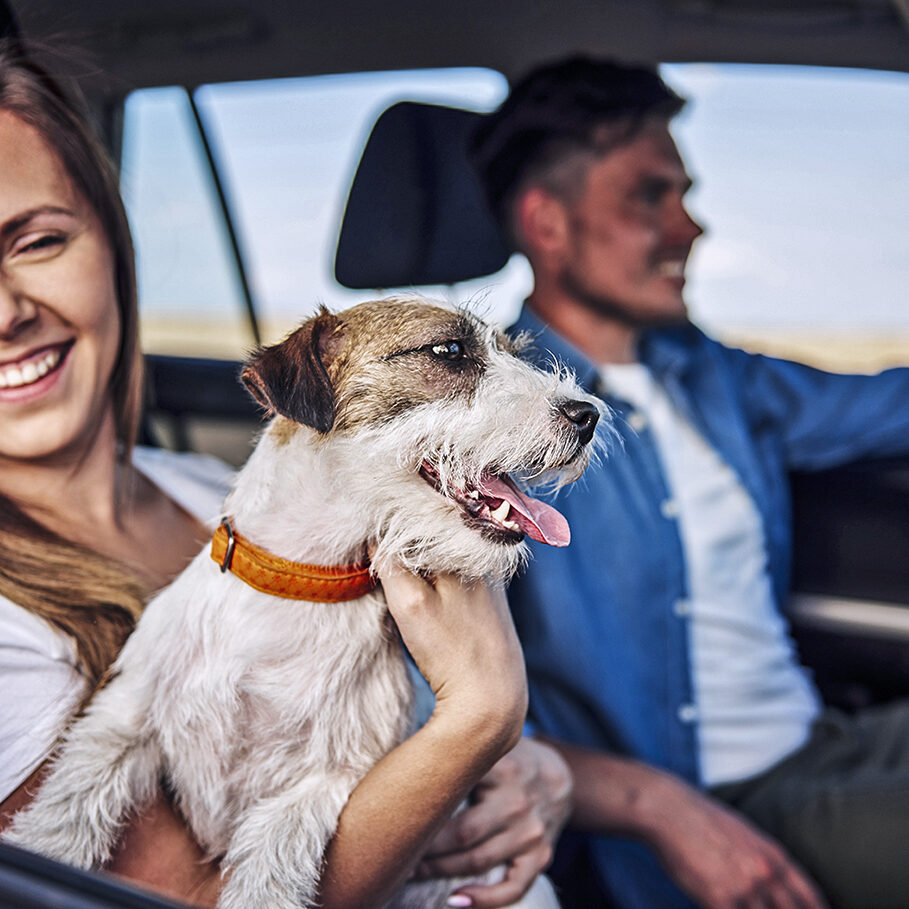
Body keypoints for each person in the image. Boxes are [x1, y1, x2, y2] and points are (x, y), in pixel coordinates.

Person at [0, 41, 569, 908]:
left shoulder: (212, 488)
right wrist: (482, 717)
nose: (7, 313)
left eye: (37, 240)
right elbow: (182, 894)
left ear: (115, 243)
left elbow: (412, 728)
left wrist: (542, 768)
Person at [470, 57, 909, 909]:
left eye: (684, 194)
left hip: (822, 742)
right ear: (546, 224)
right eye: (649, 197)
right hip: (720, 810)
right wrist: (658, 807)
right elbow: (443, 713)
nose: (689, 227)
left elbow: (884, 405)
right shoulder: (487, 422)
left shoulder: (708, 377)